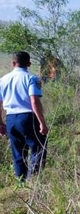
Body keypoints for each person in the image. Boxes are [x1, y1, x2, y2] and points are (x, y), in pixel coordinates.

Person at [0, 51, 49, 182]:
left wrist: (1, 123)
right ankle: (33, 180)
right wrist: (42, 123)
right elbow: (34, 100)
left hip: (11, 118)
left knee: (18, 152)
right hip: (27, 117)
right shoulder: (31, 79)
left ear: (13, 63)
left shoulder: (2, 80)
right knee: (38, 147)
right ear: (29, 63)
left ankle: (21, 182)